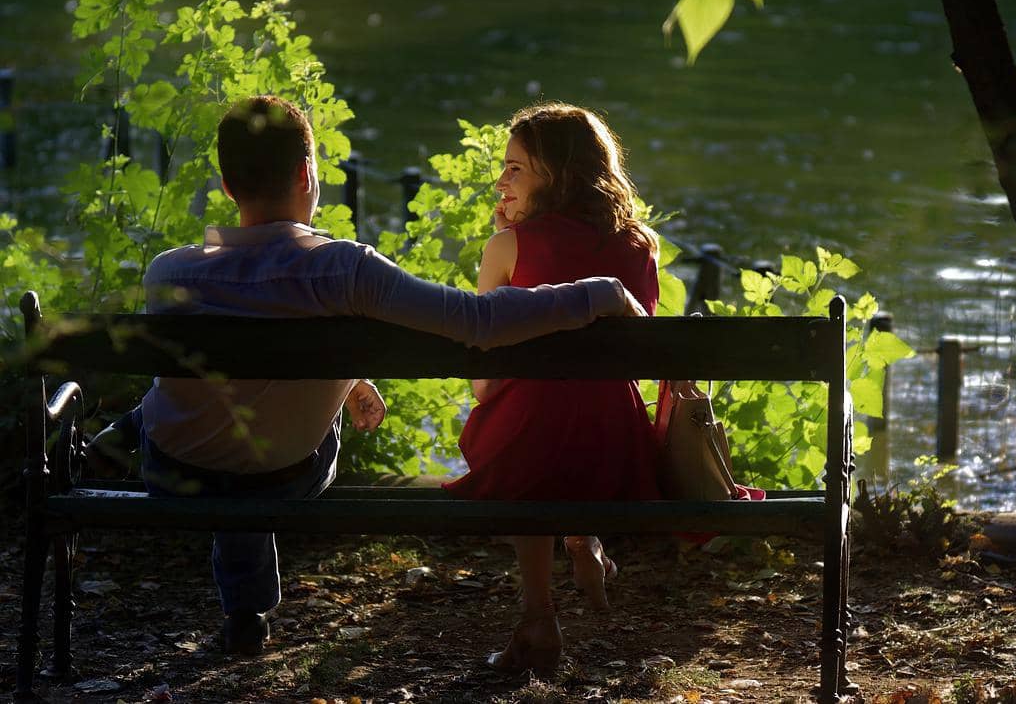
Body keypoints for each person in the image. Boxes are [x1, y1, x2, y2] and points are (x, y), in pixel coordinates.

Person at [88, 95, 646, 657]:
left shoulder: (170, 271)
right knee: (254, 450)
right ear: (309, 174)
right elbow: (480, 321)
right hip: (287, 472)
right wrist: (598, 292)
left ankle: (125, 444)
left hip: (173, 468)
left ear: (228, 186)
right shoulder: (344, 269)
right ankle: (236, 586)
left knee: (218, 421)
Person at [442, 102, 662, 674]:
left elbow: (484, 388)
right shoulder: (640, 246)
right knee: (576, 409)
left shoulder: (507, 248)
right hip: (615, 448)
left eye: (515, 168)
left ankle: (538, 614)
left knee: (522, 424)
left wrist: (508, 244)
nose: (500, 181)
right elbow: (631, 359)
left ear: (557, 174)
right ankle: (584, 540)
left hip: (529, 449)